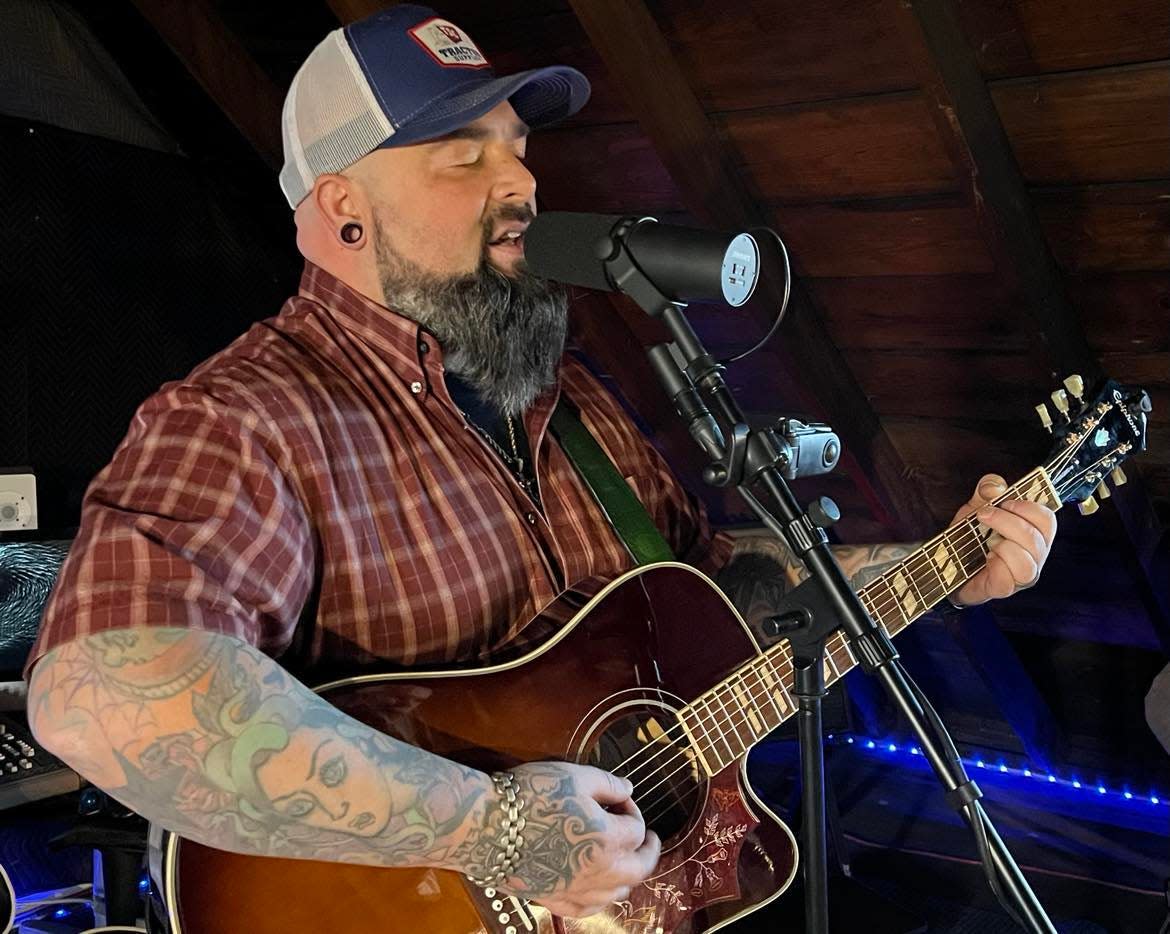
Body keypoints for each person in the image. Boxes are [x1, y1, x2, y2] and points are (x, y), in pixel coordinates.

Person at [23, 4, 1056, 921]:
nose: (519, 179)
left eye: (516, 146)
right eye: (460, 154)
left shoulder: (576, 399)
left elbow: (725, 599)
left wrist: (947, 562)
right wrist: (492, 826)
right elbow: (97, 693)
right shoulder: (244, 417)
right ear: (344, 208)